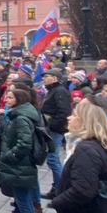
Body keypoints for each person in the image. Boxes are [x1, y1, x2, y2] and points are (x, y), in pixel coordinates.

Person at [0, 86, 43, 213]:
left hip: (20, 166)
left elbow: (24, 143)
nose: (6, 101)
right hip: (19, 166)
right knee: (22, 199)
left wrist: (9, 155)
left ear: (19, 100)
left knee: (23, 201)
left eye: (10, 98)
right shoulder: (19, 115)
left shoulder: (21, 118)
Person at [39, 68, 71, 199]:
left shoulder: (59, 91)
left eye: (48, 76)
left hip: (55, 130)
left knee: (53, 159)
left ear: (55, 78)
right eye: (44, 76)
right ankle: (57, 187)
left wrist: (52, 127)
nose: (44, 78)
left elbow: (63, 112)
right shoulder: (53, 90)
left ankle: (60, 188)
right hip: (51, 128)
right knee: (52, 159)